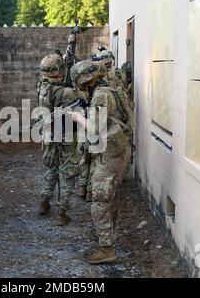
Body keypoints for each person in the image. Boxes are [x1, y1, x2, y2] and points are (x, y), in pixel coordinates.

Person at [69, 60, 132, 264]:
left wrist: (78, 118)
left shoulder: (100, 94)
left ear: (86, 79)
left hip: (111, 153)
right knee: (108, 196)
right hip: (117, 149)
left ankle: (106, 248)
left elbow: (95, 128)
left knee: (100, 198)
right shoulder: (111, 88)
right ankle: (105, 234)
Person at [37, 54, 81, 226]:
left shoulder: (42, 86)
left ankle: (43, 202)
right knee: (67, 174)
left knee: (53, 169)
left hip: (49, 133)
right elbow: (82, 98)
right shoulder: (66, 92)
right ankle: (61, 212)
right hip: (66, 134)